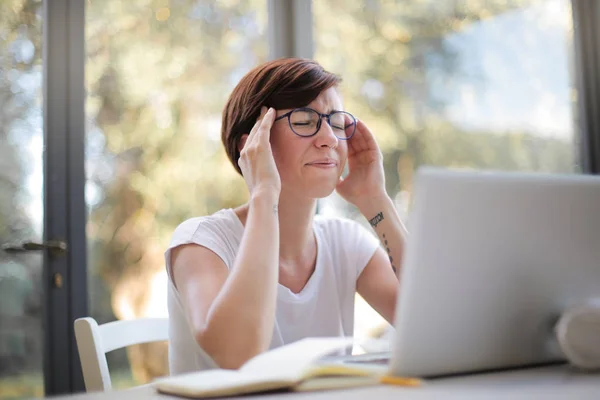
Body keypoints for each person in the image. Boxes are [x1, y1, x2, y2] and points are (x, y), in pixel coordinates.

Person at [165, 58, 408, 374]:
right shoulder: (202, 243)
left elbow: (434, 327)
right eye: (305, 121)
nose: (330, 139)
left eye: (336, 122)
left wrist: (375, 200)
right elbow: (238, 356)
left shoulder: (345, 243)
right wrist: (264, 195)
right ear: (252, 144)